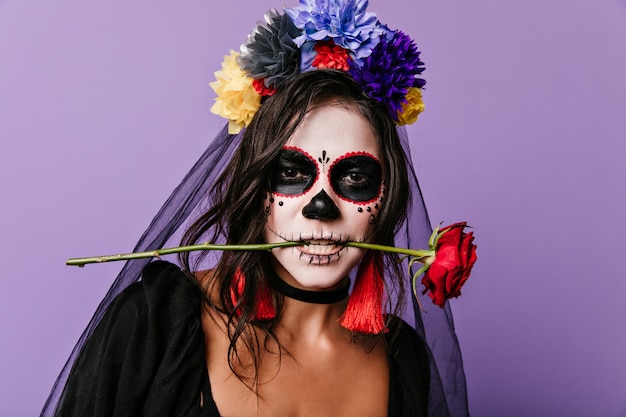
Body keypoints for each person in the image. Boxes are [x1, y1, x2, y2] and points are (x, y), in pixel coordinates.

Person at [42, 2, 469, 416]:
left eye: (355, 179)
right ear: (255, 186)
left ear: (388, 196)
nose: (320, 207)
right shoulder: (156, 324)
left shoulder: (403, 360)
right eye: (291, 173)